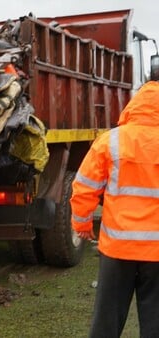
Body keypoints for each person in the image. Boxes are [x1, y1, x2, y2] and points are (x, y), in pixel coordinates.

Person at [71, 80, 159, 338]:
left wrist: (82, 224)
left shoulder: (109, 142)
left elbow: (84, 188)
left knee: (107, 322)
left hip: (117, 249)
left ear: (134, 106)